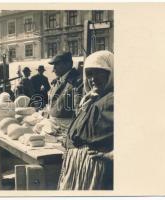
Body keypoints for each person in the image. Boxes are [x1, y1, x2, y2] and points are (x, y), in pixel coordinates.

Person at [58, 50, 114, 190]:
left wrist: (111, 155)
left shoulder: (114, 99)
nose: (93, 78)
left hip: (94, 170)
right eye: (89, 73)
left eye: (99, 72)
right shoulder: (92, 98)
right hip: (78, 168)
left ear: (110, 72)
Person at [47, 52, 83, 138]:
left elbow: (79, 111)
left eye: (57, 64)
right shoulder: (59, 80)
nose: (53, 68)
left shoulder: (77, 81)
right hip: (54, 127)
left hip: (66, 129)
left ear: (68, 64)